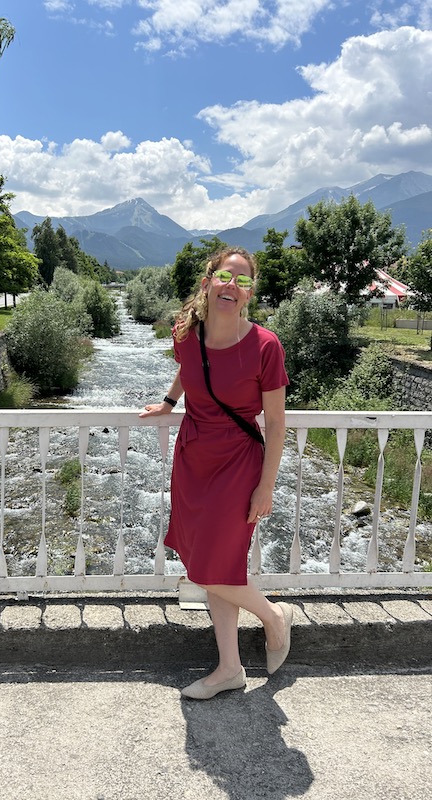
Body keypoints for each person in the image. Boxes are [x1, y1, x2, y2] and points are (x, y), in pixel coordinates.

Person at [139, 246, 292, 700]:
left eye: (243, 282)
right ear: (209, 282)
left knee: (214, 568)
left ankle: (273, 617)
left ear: (249, 295)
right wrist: (168, 402)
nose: (233, 287)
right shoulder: (186, 331)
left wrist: (266, 486)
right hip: (193, 459)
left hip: (238, 465)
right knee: (211, 563)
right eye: (227, 277)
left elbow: (277, 423)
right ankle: (230, 668)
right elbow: (189, 368)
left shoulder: (266, 346)